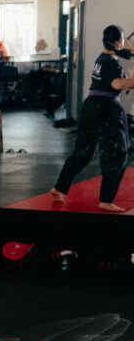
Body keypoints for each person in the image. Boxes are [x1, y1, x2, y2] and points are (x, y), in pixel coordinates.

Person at [51, 25, 134, 211]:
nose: (126, 44)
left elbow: (116, 75)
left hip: (90, 106)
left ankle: (59, 188)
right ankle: (106, 200)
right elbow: (117, 84)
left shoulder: (102, 58)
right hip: (107, 109)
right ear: (116, 42)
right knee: (118, 153)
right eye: (123, 40)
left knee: (83, 152)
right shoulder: (111, 62)